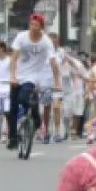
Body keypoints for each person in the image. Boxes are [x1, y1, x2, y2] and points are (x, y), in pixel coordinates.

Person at [8, 13, 59, 149]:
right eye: (31, 24)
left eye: (36, 25)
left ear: (41, 27)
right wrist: (12, 76)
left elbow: (53, 62)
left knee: (23, 98)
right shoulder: (21, 37)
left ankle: (36, 118)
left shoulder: (46, 41)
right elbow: (13, 57)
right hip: (19, 73)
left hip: (35, 75)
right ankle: (12, 137)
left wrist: (56, 83)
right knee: (12, 108)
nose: (33, 27)